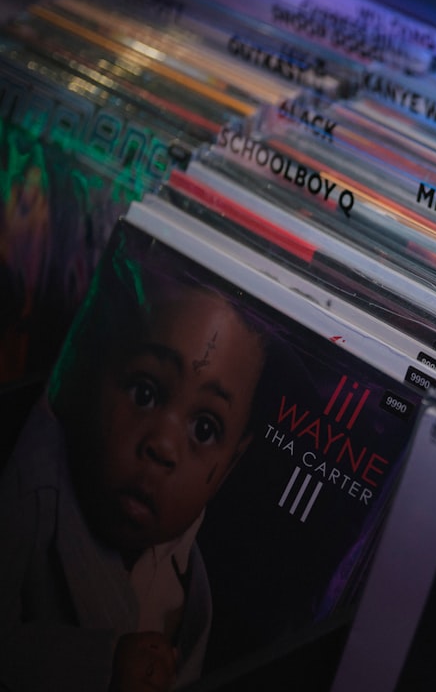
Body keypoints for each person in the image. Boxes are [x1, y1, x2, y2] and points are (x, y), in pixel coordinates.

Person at [0, 234, 267, 692]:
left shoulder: (189, 576)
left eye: (205, 429)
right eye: (145, 392)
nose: (162, 446)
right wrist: (100, 668)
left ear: (229, 465)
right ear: (88, 368)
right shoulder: (28, 492)